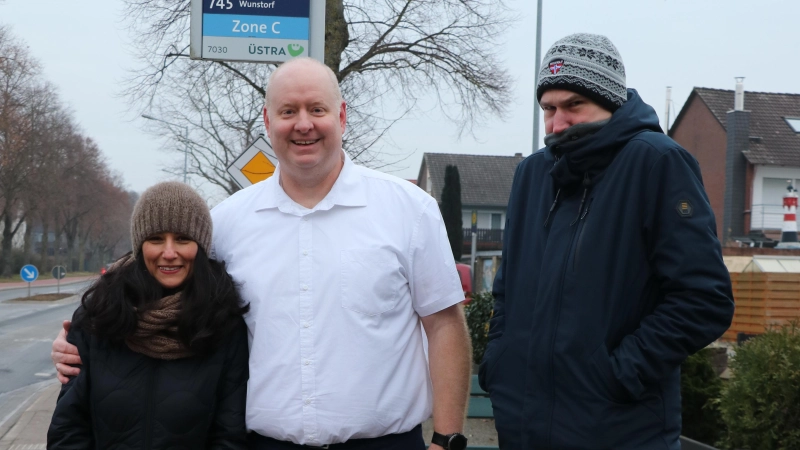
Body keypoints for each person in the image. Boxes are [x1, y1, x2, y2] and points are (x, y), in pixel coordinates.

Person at [53, 57, 472, 450]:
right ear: (268, 121)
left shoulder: (409, 209)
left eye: (317, 109)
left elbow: (444, 325)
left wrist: (447, 438)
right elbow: (157, 297)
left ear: (342, 117)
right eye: (288, 111)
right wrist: (81, 340)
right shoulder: (227, 223)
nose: (303, 124)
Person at [478, 33, 735, 449]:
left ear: (610, 101)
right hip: (523, 429)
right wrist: (499, 363)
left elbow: (704, 299)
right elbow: (508, 290)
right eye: (548, 108)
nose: (558, 123)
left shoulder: (657, 162)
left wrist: (618, 373)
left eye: (574, 105)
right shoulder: (532, 175)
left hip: (618, 430)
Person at [47, 181, 250, 449]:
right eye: (156, 239)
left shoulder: (223, 323)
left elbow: (229, 436)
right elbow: (68, 429)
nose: (169, 253)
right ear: (140, 246)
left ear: (200, 246)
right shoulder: (100, 315)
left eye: (182, 239)